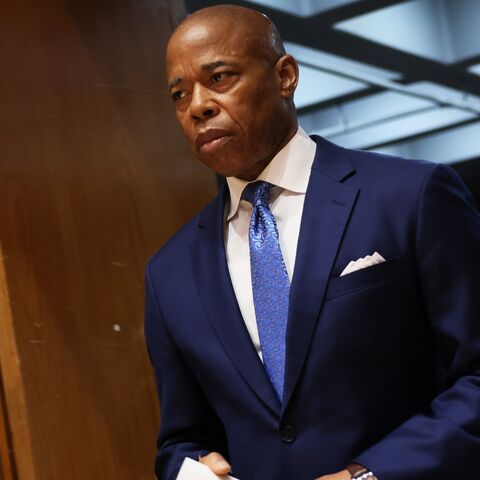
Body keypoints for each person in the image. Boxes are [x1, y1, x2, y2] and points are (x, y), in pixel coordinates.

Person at [144, 4, 480, 480]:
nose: (197, 105)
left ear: (285, 76)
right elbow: (182, 439)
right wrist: (190, 468)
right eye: (180, 95)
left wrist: (367, 475)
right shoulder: (169, 272)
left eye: (219, 77)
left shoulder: (412, 196)